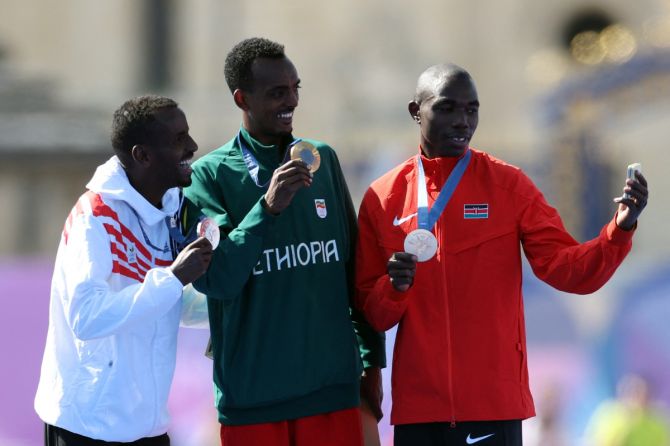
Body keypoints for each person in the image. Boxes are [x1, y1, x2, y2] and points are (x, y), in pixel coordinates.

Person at [354, 63, 649, 446]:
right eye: (447, 108)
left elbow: (567, 271)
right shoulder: (382, 196)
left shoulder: (508, 185)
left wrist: (619, 229)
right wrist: (393, 287)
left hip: (494, 405)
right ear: (416, 111)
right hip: (419, 408)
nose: (462, 121)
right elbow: (369, 314)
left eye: (471, 109)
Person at [182, 37, 385, 446]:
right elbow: (218, 280)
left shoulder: (321, 159)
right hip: (254, 401)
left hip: (331, 393)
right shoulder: (208, 176)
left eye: (295, 88)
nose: (291, 100)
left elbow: (354, 270)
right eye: (277, 93)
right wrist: (266, 209)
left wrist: (371, 363)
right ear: (242, 98)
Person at [34, 95, 213, 445]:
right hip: (87, 428)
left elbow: (165, 304)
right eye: (178, 140)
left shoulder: (172, 212)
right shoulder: (94, 218)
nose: (192, 147)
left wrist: (229, 304)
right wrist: (174, 276)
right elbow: (86, 317)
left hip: (149, 428)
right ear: (142, 155)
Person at [584, 374, 670, 446]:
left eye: (640, 394)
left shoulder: (656, 421)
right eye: (631, 392)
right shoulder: (609, 415)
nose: (635, 399)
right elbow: (597, 441)